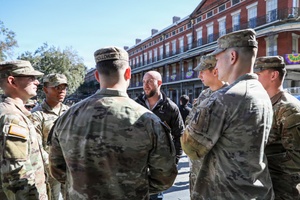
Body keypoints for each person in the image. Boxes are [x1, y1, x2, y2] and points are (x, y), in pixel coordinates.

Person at [48, 46, 178, 200]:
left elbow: (57, 169)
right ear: (128, 73)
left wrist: (83, 187)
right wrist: (131, 186)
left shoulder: (67, 117)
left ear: (97, 76)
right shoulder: (148, 120)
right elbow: (164, 177)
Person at [181, 29, 274, 199]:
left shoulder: (224, 98)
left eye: (217, 59)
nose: (215, 66)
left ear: (232, 57)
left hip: (225, 193)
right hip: (254, 191)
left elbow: (190, 147)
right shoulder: (260, 91)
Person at [0, 60, 48, 199]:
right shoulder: (11, 117)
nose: (37, 82)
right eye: (31, 78)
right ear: (12, 81)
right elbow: (16, 174)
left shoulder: (16, 113)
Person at [254, 56, 300, 199]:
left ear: (273, 75)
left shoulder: (288, 109)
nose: (255, 78)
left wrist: (260, 161)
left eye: (259, 74)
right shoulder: (266, 104)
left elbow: (297, 157)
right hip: (268, 186)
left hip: (285, 191)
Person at [135, 70, 184, 200]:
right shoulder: (134, 105)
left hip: (158, 167)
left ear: (159, 83)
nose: (145, 85)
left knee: (155, 197)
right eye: (144, 82)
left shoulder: (170, 108)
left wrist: (175, 161)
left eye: (150, 81)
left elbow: (180, 135)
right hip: (136, 165)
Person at [185, 54, 227, 195]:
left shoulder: (231, 96)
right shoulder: (203, 95)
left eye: (202, 71)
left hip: (218, 174)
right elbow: (189, 123)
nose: (199, 76)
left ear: (215, 71)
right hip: (197, 167)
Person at [31, 73, 69, 200]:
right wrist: (55, 166)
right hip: (50, 171)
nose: (61, 91)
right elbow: (35, 146)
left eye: (64, 87)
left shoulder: (70, 112)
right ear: (45, 89)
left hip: (70, 169)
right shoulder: (37, 115)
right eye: (57, 87)